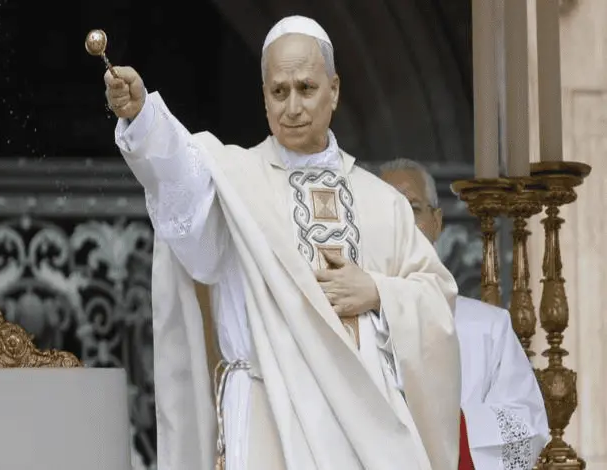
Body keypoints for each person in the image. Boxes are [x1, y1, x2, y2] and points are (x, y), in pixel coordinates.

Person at [106, 15, 462, 470]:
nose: (292, 107)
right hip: (265, 411)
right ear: (264, 97)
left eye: (306, 88)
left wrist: (377, 291)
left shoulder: (383, 202)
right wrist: (143, 119)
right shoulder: (234, 181)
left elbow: (438, 299)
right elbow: (180, 175)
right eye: (279, 91)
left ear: (334, 89)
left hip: (364, 430)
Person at [380, 158, 550, 469]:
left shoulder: (489, 327)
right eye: (386, 210)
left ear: (437, 222)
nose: (400, 222)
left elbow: (528, 426)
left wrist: (446, 423)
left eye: (413, 208)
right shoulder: (350, 324)